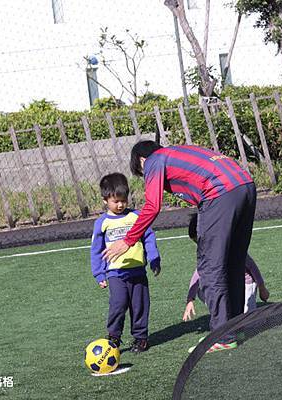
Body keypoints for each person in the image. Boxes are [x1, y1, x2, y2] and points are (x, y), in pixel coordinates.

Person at [103, 141, 256, 353]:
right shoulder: (180, 151)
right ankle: (236, 328)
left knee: (211, 267)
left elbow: (152, 205)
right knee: (233, 262)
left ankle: (223, 335)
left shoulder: (154, 161)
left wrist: (128, 240)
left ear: (141, 161)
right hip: (246, 184)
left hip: (219, 193)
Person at [91, 173, 161, 353]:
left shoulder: (137, 216)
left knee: (140, 305)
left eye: (124, 200)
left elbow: (149, 237)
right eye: (116, 201)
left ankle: (141, 338)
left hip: (138, 272)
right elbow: (96, 250)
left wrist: (154, 258)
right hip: (116, 274)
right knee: (118, 304)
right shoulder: (102, 223)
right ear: (105, 200)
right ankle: (114, 336)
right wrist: (99, 273)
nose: (121, 205)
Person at [182, 214, 270, 323]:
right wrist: (190, 300)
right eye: (197, 243)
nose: (200, 246)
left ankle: (259, 318)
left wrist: (262, 287)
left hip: (245, 284)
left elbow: (252, 267)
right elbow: (198, 273)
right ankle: (223, 314)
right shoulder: (206, 252)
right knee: (202, 289)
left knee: (248, 323)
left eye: (200, 241)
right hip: (226, 285)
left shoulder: (231, 245)